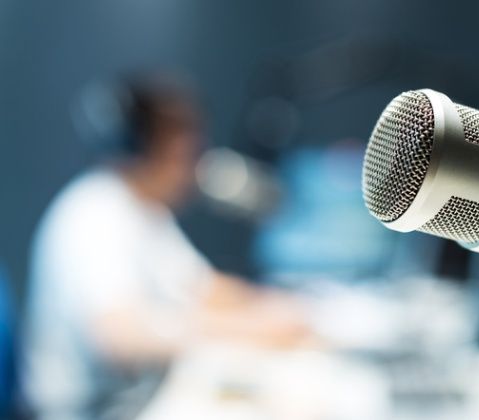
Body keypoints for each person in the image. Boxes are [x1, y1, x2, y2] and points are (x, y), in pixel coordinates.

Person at [22, 76, 312, 420]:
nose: (195, 170)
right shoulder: (93, 216)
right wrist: (248, 329)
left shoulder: (147, 212)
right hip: (91, 411)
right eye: (186, 155)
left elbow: (203, 288)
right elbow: (121, 339)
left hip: (139, 399)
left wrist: (276, 308)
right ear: (139, 151)